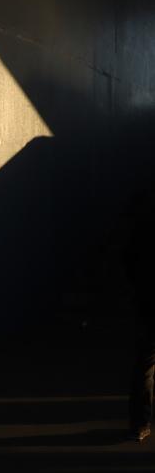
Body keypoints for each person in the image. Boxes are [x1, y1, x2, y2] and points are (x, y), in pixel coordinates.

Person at [122, 187, 155, 441]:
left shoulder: (142, 221)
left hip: (147, 300)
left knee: (146, 364)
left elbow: (129, 262)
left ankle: (141, 422)